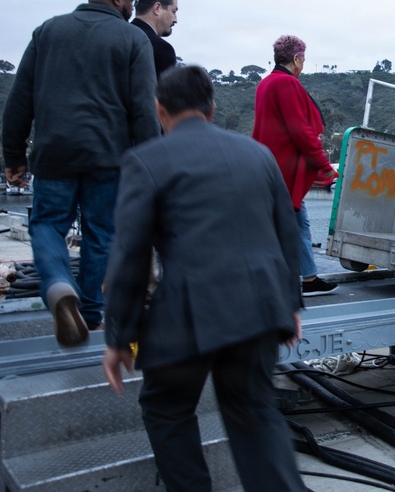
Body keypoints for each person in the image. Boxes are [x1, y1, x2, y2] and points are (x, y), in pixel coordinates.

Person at [102, 66, 306, 492]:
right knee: (254, 409)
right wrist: (289, 303)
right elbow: (286, 234)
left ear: (160, 110)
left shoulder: (145, 160)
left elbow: (130, 257)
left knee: (166, 408)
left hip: (188, 314)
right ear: (212, 108)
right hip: (261, 309)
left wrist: (120, 336)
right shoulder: (258, 155)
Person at [2, 0, 160, 345]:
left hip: (54, 154)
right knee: (101, 234)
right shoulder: (133, 39)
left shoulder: (48, 32)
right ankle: (89, 314)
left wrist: (14, 156)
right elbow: (144, 110)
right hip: (110, 158)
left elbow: (18, 101)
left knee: (47, 226)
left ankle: (57, 284)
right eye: (132, 0)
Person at [253, 34, 338, 296]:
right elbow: (300, 131)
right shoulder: (286, 85)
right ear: (296, 58)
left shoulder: (264, 84)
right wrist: (325, 165)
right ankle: (275, 280)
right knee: (285, 224)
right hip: (283, 172)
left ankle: (309, 278)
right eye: (303, 59)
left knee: (298, 223)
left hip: (267, 167)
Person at [131, 0, 179, 78]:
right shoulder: (162, 50)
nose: (175, 20)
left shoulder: (115, 38)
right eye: (173, 11)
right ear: (157, 8)